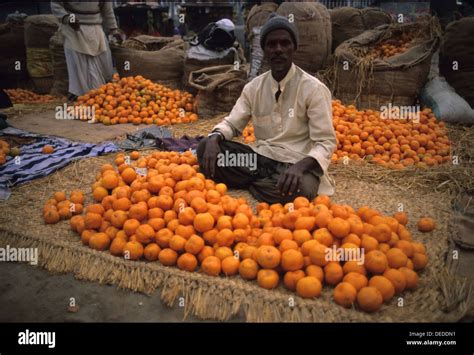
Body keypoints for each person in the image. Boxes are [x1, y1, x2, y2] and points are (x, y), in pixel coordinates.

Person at [197, 14, 336, 204]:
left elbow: (325, 142)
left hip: (296, 165)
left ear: (294, 47)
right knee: (205, 148)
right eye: (272, 44)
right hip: (258, 161)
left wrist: (301, 166)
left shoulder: (314, 89)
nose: (278, 49)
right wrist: (214, 138)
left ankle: (251, 184)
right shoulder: (253, 88)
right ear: (264, 49)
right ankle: (262, 184)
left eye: (284, 43)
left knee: (301, 189)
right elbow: (232, 123)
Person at [50, 1, 122, 100]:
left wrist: (114, 29)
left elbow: (107, 8)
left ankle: (102, 93)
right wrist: (68, 18)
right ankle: (79, 95)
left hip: (96, 27)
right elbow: (56, 4)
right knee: (78, 63)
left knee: (105, 64)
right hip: (73, 29)